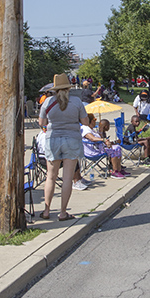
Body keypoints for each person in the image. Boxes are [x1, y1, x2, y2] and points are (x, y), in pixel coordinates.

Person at [39, 73, 89, 221]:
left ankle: (47, 210)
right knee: (67, 178)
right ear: (68, 88)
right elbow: (85, 122)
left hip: (53, 139)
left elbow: (42, 123)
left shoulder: (47, 102)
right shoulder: (76, 101)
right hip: (72, 139)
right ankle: (62, 212)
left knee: (51, 177)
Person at [81, 114, 128, 179]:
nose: (95, 122)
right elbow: (92, 138)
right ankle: (115, 171)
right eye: (94, 120)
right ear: (91, 121)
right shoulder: (85, 129)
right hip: (93, 152)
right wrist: (104, 139)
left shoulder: (91, 129)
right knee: (115, 149)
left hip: (98, 148)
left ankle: (119, 169)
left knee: (117, 147)